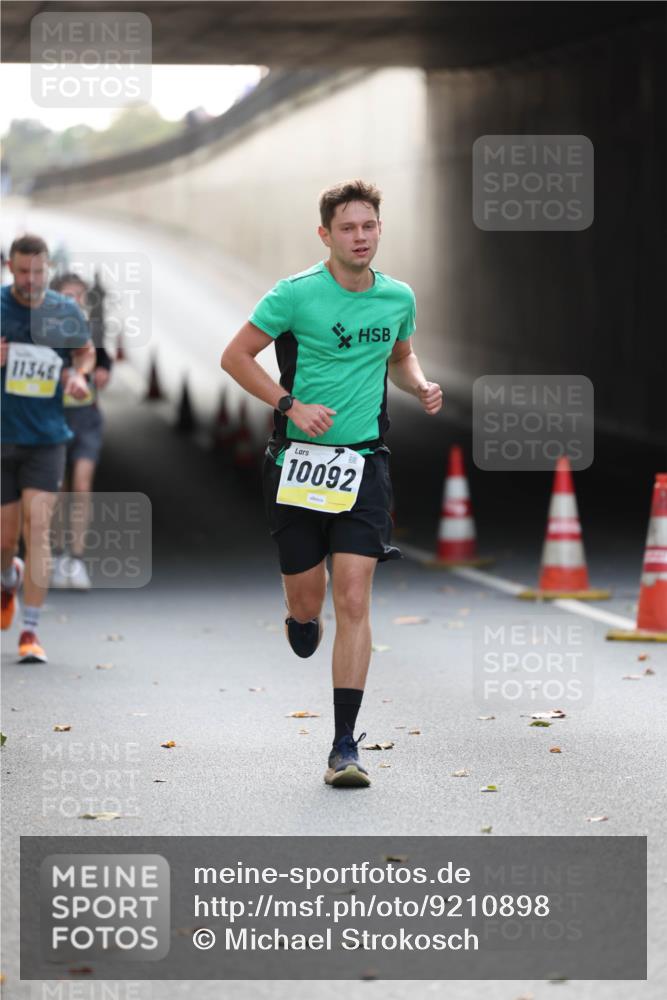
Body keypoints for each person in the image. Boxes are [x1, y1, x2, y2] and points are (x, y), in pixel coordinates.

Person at [221, 180, 443, 787]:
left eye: (369, 226)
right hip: (298, 464)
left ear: (379, 229)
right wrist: (289, 404)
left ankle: (345, 745)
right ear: (326, 235)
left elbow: (400, 355)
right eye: (347, 228)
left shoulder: (397, 297)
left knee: (354, 597)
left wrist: (418, 383)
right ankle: (299, 617)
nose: (360, 237)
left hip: (364, 464)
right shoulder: (294, 296)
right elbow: (235, 357)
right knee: (309, 602)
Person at [1, 234, 94, 662]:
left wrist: (79, 375)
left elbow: (86, 353)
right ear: (9, 266)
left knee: (36, 532)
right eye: (23, 271)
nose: (32, 280)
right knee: (5, 540)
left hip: (46, 439)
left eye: (39, 272)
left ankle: (31, 631)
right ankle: (8, 578)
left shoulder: (63, 311)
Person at [48, 272, 113, 590]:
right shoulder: (44, 333)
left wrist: (102, 372)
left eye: (80, 296)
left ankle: (76, 559)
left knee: (82, 484)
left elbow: (105, 361)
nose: (75, 301)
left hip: (87, 419)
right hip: (53, 420)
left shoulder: (91, 333)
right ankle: (58, 554)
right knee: (59, 488)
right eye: (68, 295)